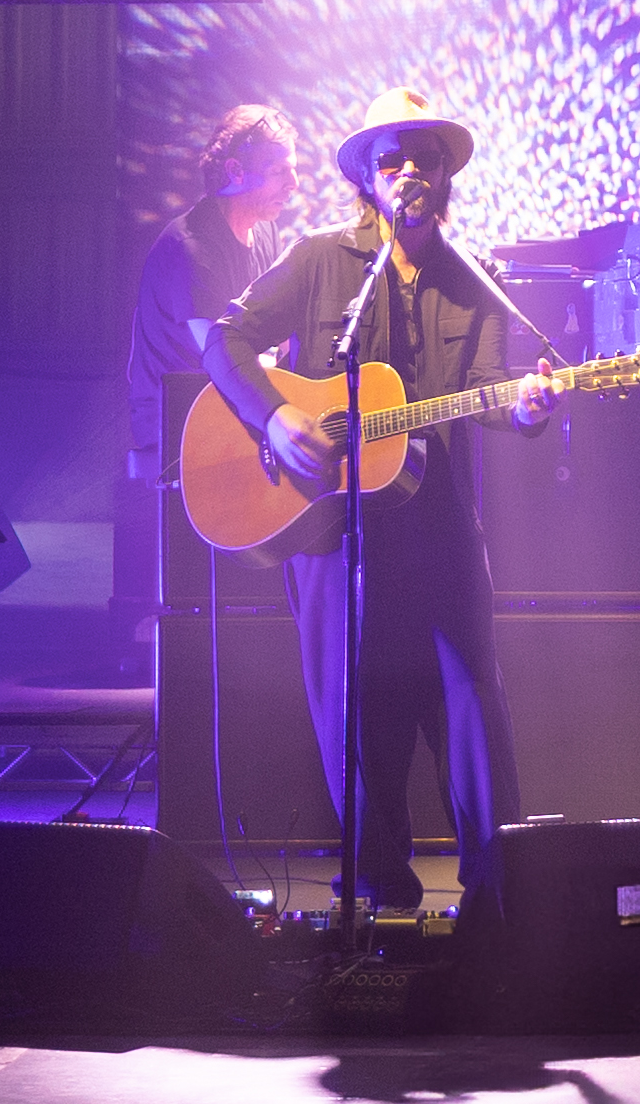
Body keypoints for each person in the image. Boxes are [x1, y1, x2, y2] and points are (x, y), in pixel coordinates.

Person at [178, 86, 552, 930]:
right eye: (393, 161)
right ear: (371, 181)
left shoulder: (475, 280)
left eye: (424, 159)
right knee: (352, 714)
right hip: (332, 529)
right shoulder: (319, 262)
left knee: (470, 704)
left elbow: (491, 394)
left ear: (446, 175)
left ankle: (500, 903)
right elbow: (221, 338)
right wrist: (274, 416)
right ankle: (385, 904)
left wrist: (525, 407)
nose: (410, 173)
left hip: (440, 528)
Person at [119, 101, 300, 622]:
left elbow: (273, 333)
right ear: (236, 172)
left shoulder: (262, 234)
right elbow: (222, 357)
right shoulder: (190, 248)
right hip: (177, 424)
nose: (294, 183)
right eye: (281, 170)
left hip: (222, 410)